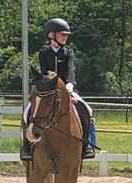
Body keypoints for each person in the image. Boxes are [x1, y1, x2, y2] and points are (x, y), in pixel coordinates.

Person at [20, 18, 95, 161]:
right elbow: (44, 73)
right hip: (46, 90)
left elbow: (70, 70)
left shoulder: (68, 52)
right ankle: (27, 146)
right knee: (27, 112)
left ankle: (86, 146)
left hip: (68, 88)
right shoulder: (43, 52)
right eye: (63, 34)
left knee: (87, 110)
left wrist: (69, 86)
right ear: (51, 35)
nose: (65, 37)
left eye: (66, 35)